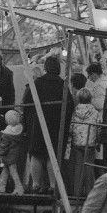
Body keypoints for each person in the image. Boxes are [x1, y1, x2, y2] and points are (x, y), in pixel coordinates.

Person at [21, 55, 73, 194]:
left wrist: (27, 124)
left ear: (45, 68)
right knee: (52, 155)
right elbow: (70, 107)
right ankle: (52, 185)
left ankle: (35, 185)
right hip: (56, 126)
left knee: (36, 154)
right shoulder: (63, 85)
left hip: (37, 125)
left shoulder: (37, 83)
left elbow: (26, 104)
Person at [69, 89, 98, 197]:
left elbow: (70, 128)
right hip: (90, 143)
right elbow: (99, 127)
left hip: (77, 142)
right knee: (89, 168)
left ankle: (77, 192)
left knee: (78, 168)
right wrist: (97, 140)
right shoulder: (95, 112)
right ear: (90, 98)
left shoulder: (74, 112)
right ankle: (89, 192)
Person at [0, 109, 25, 195]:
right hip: (14, 154)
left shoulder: (7, 134)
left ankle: (19, 188)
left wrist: (0, 155)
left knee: (13, 172)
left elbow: (3, 146)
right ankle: (0, 186)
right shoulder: (19, 130)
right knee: (5, 171)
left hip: (7, 156)